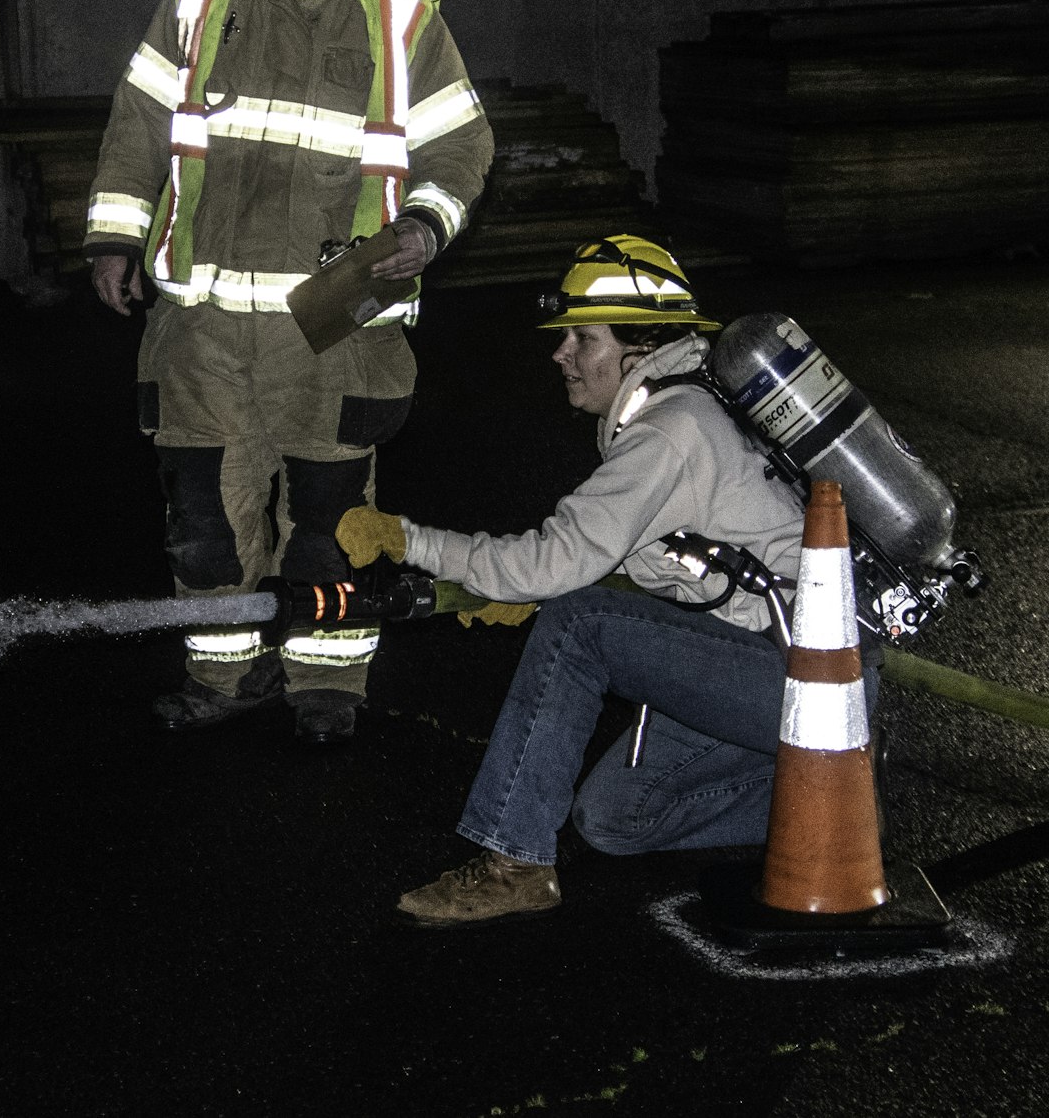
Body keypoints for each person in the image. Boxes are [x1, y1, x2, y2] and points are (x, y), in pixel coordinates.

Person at [83, 0, 493, 746]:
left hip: (335, 329)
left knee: (329, 518)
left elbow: (461, 149)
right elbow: (140, 119)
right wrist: (113, 233)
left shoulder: (400, 11)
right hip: (203, 327)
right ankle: (222, 673)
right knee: (203, 521)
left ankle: (325, 680)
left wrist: (427, 228)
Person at [335, 235, 882, 928]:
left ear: (639, 344)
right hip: (803, 674)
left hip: (804, 675)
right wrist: (521, 588)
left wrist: (410, 539)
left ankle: (514, 860)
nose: (560, 354)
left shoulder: (672, 431)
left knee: (578, 622)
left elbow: (554, 560)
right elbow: (642, 556)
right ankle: (847, 798)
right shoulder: (686, 407)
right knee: (615, 817)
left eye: (581, 338)